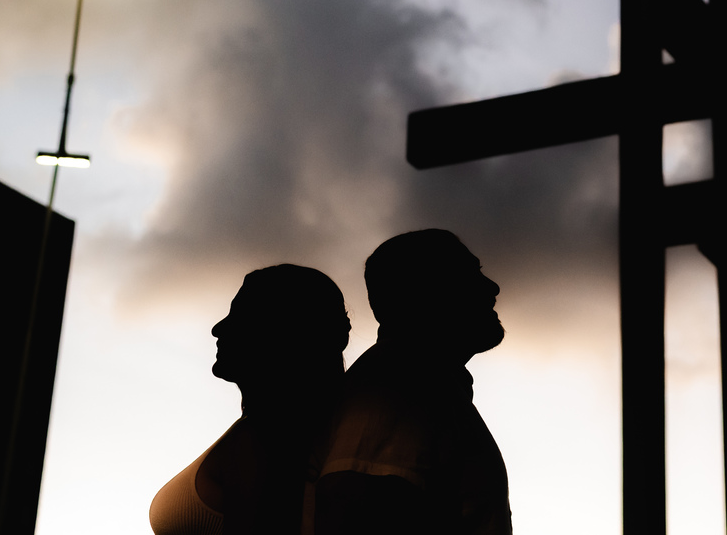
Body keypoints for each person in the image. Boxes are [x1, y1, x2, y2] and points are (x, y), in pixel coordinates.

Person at [315, 229, 511, 535]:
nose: (492, 287)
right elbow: (352, 509)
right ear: (427, 292)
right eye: (471, 275)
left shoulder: (421, 384)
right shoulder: (397, 386)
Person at [150, 264, 351, 535]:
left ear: (276, 333)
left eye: (237, 316)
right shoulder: (267, 435)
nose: (217, 329)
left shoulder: (262, 439)